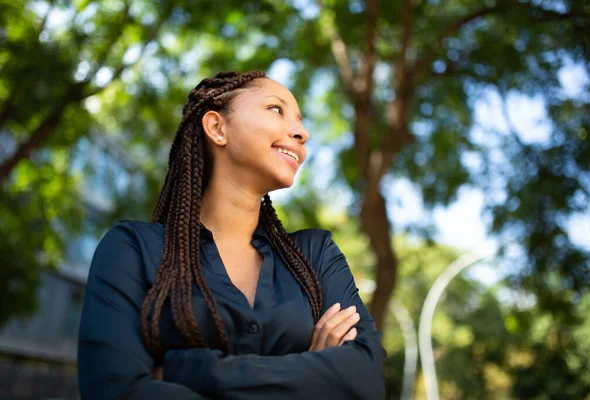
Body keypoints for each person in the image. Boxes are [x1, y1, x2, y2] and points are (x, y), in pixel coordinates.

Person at [77, 70, 386, 399]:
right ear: (217, 127)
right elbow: (116, 390)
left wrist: (187, 370)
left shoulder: (316, 256)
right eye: (276, 109)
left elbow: (365, 379)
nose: (302, 132)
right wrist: (311, 372)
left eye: (300, 120)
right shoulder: (133, 250)